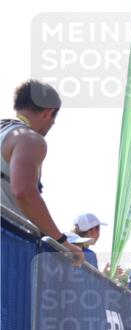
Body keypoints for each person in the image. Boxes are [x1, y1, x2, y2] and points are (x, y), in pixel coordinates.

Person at [1, 80, 83, 266]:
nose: (52, 124)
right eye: (54, 118)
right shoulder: (29, 138)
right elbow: (24, 192)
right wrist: (63, 243)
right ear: (47, 112)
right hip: (7, 250)